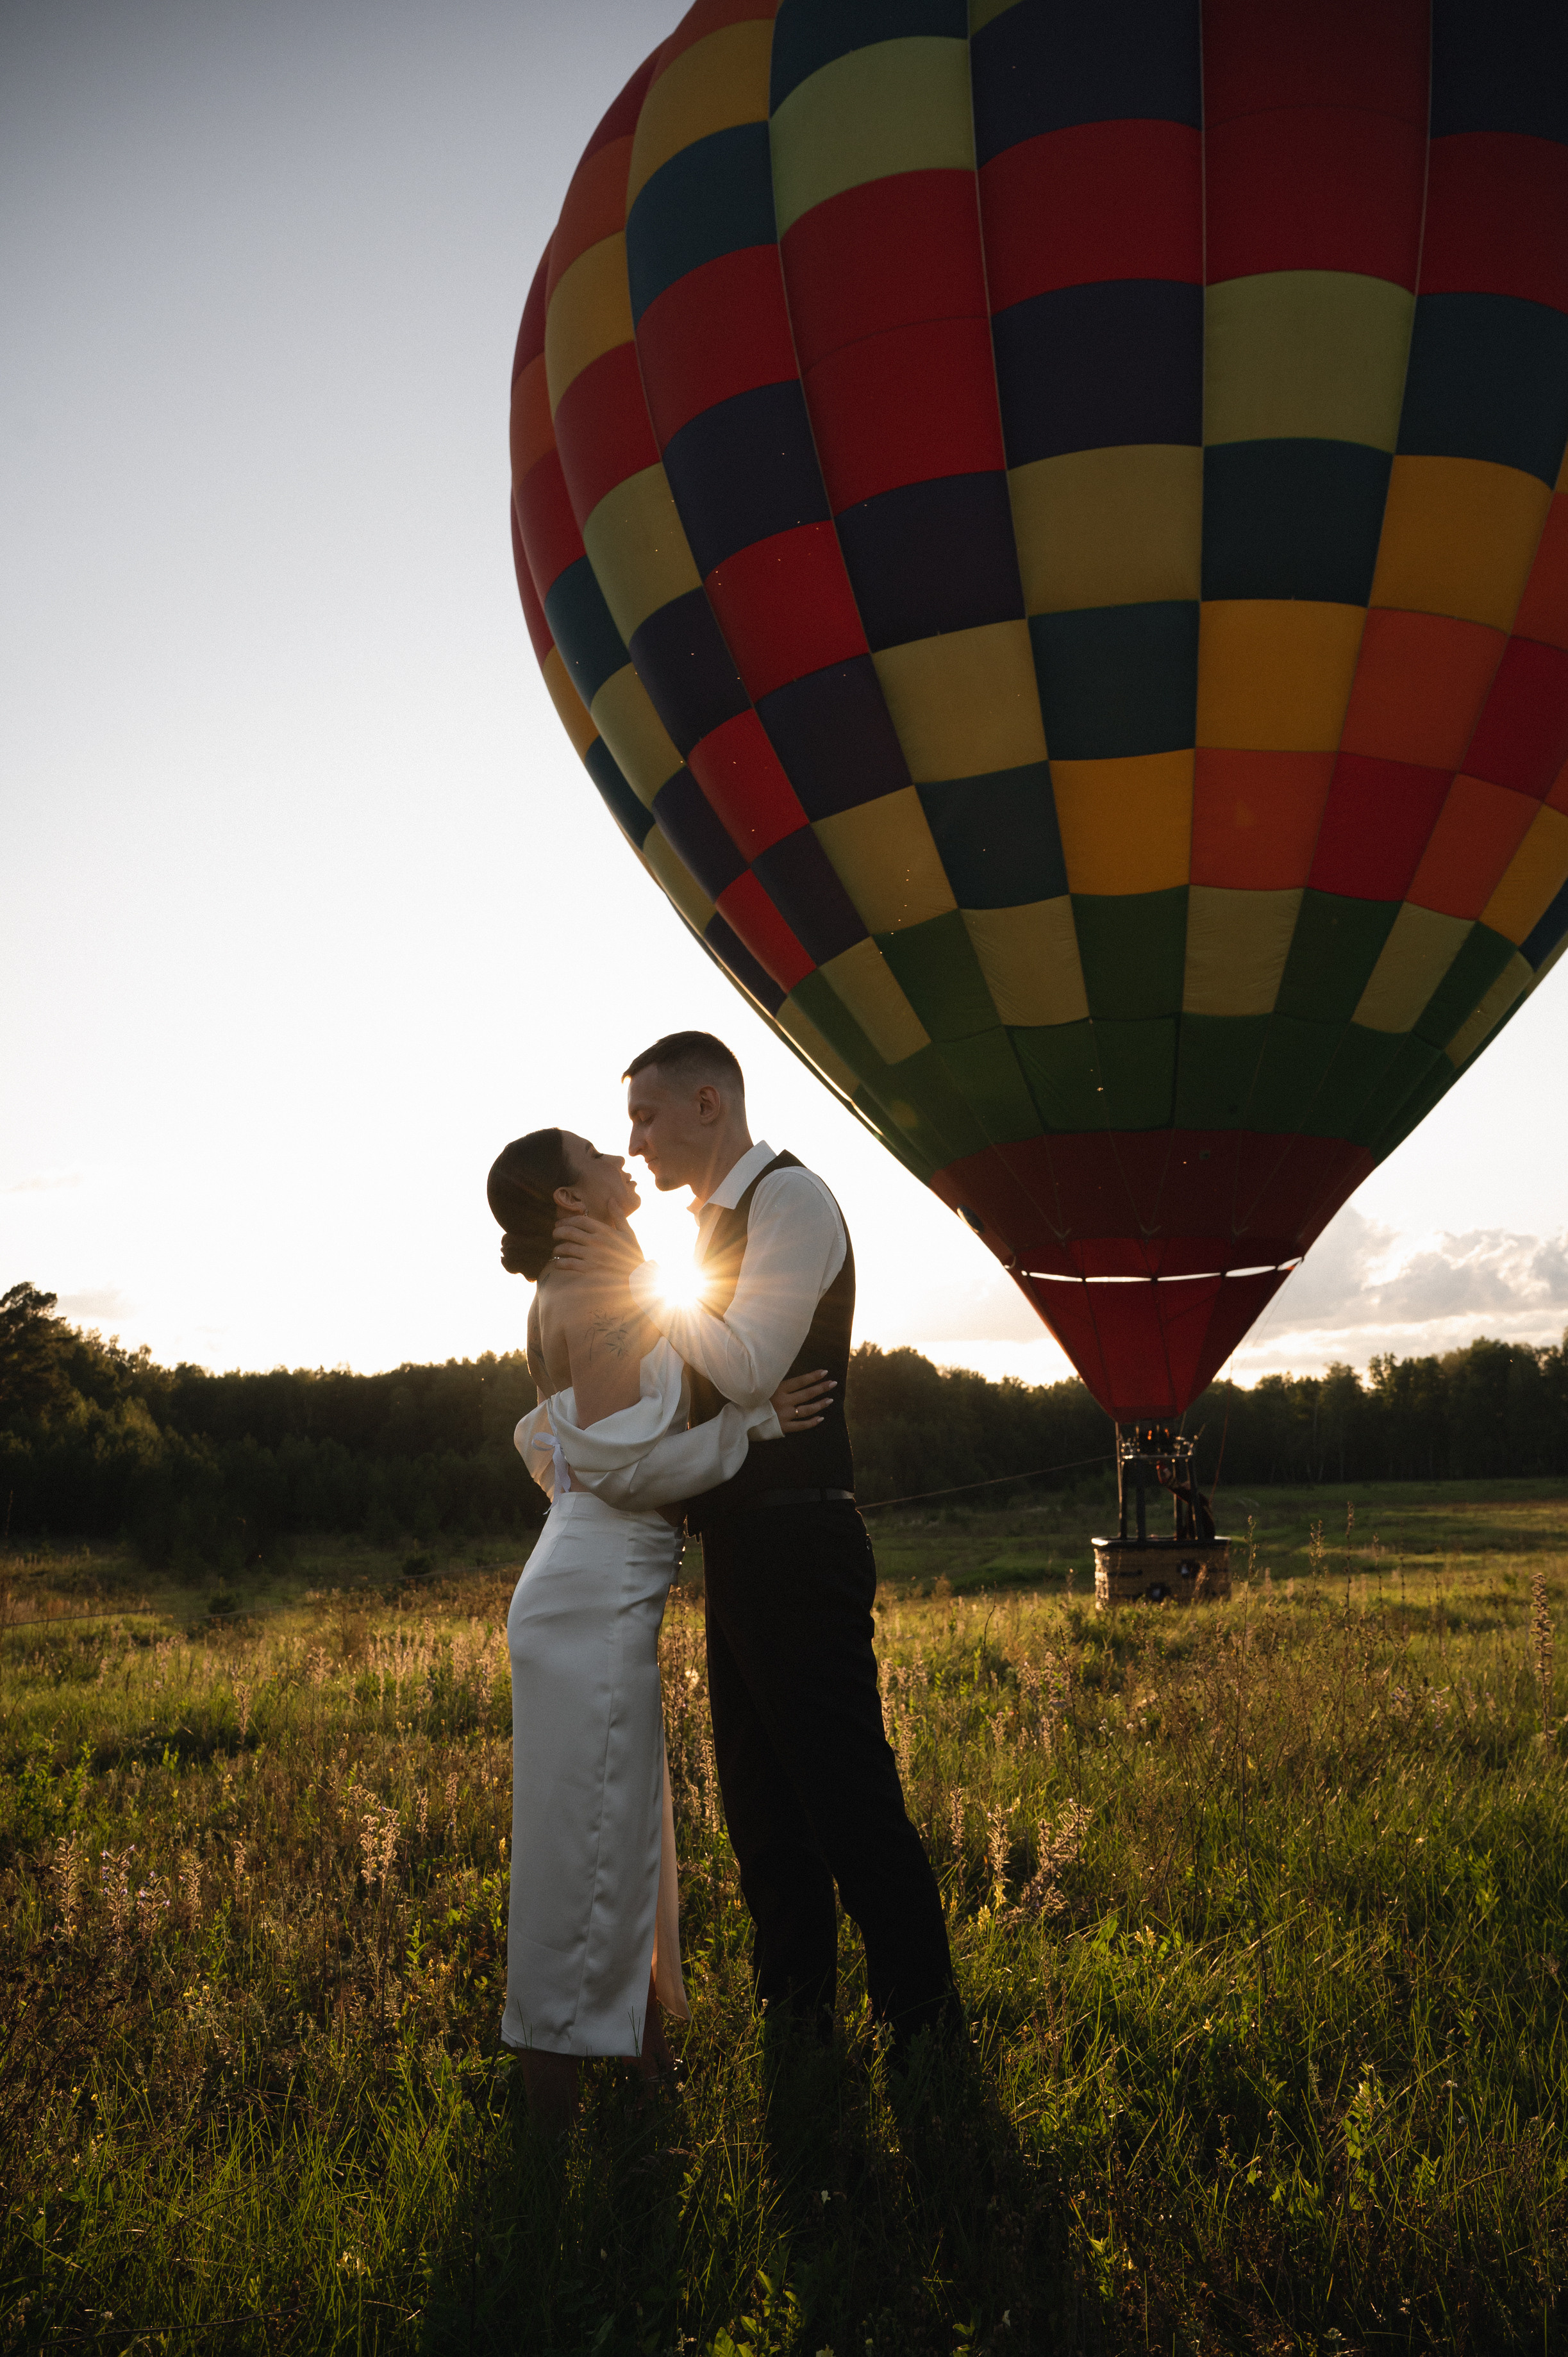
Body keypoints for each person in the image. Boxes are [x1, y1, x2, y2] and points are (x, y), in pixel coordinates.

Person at [551, 1032, 959, 2067]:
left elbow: (742, 1366)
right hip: (737, 1541)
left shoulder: (790, 1201)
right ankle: (798, 2020)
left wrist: (645, 1282)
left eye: (645, 1116)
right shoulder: (707, 1229)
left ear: (705, 1103)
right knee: (761, 1803)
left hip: (802, 1532)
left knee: (843, 1785)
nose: (632, 1141)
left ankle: (923, 2021)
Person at [487, 1124, 831, 2135]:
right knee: (578, 1846)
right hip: (590, 1597)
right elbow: (618, 1472)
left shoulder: (599, 1279)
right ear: (566, 1200)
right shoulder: (591, 1289)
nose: (622, 1158)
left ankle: (647, 2080)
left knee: (618, 1833)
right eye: (598, 1154)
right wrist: (751, 1427)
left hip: (593, 1588)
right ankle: (547, 2121)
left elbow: (571, 1452)